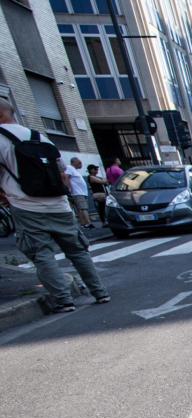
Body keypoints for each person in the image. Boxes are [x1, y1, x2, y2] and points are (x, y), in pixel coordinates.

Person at [0, 96, 108, 313]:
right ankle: (100, 292)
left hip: (26, 206)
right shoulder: (40, 138)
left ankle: (64, 300)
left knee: (42, 254)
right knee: (78, 251)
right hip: (60, 205)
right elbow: (63, 176)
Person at [64, 157, 92, 228]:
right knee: (83, 208)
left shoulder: (74, 170)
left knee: (80, 209)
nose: (81, 164)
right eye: (79, 163)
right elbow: (67, 177)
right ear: (74, 162)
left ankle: (84, 224)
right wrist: (69, 188)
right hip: (77, 192)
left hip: (80, 192)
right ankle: (88, 223)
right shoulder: (69, 168)